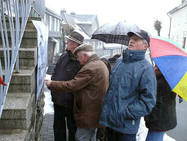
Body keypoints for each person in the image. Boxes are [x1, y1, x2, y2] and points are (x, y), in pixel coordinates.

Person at [99, 30, 157, 141]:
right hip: (110, 123)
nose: (131, 41)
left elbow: (148, 101)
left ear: (145, 46)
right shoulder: (120, 61)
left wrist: (125, 112)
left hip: (125, 127)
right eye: (131, 38)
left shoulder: (146, 68)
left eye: (136, 39)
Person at [45, 44, 109, 141]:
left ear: (85, 56)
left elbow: (72, 85)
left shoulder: (90, 68)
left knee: (81, 138)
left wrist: (52, 84)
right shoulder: (99, 64)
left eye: (78, 57)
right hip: (95, 112)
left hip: (89, 113)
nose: (78, 60)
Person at [50, 30, 84, 141]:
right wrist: (54, 89)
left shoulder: (81, 61)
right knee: (58, 128)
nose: (66, 43)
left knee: (72, 129)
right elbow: (55, 72)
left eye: (69, 41)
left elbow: (79, 83)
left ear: (76, 45)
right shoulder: (64, 55)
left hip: (71, 102)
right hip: (58, 100)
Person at [144, 65, 177, 141]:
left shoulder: (161, 83)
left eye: (156, 67)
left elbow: (157, 104)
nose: (154, 68)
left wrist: (147, 116)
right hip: (163, 120)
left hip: (159, 121)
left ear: (161, 70)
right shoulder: (168, 80)